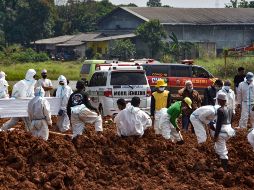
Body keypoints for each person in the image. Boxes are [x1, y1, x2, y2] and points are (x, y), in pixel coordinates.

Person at [210, 92, 235, 171]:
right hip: (229, 130)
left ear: (220, 100)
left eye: (218, 100)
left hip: (222, 132)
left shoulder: (220, 110)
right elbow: (232, 120)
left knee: (222, 150)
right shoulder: (230, 108)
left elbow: (219, 124)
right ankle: (219, 161)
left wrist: (216, 136)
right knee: (218, 147)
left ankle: (224, 168)